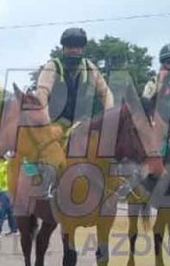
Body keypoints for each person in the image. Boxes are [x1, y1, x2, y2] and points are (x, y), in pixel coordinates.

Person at [33, 27, 114, 196]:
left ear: (82, 48)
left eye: (77, 46)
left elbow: (105, 93)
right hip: (57, 122)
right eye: (70, 46)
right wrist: (46, 124)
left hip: (83, 122)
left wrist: (109, 118)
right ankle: (48, 184)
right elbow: (42, 94)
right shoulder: (53, 66)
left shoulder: (89, 68)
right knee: (51, 151)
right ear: (64, 48)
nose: (74, 50)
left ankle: (110, 185)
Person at [0, 152, 16, 238]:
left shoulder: (2, 165)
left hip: (3, 191)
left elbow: (0, 178)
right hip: (9, 191)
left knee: (2, 212)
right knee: (10, 211)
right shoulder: (9, 164)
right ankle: (14, 230)